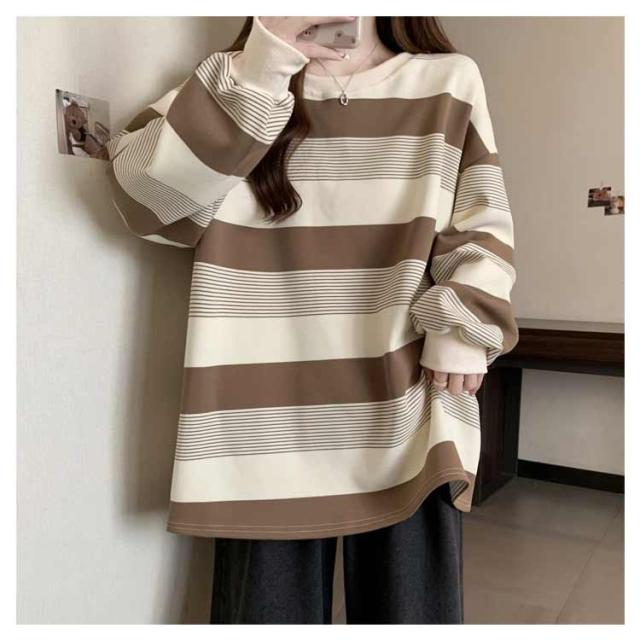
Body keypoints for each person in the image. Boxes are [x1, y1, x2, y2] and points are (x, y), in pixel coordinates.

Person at [104, 15, 518, 624]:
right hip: (259, 424)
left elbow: (482, 219)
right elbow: (146, 205)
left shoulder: (449, 81)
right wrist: (266, 60)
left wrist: (463, 324)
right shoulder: (238, 80)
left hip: (411, 400)